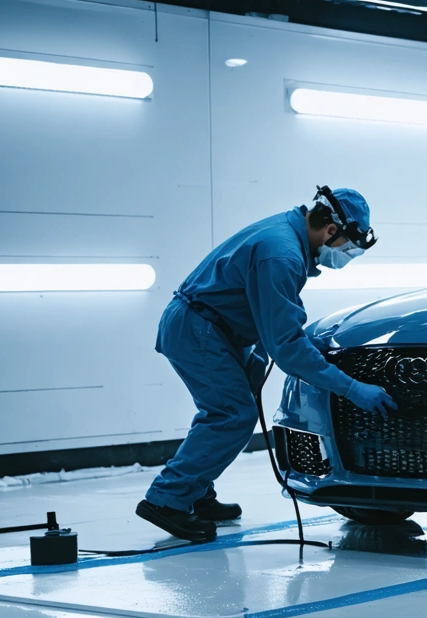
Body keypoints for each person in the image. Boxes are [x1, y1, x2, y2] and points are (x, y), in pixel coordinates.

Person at [136, 187, 397, 542]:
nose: (342, 258)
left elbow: (275, 324)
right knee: (232, 415)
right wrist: (352, 388)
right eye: (346, 250)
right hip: (199, 329)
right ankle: (166, 501)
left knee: (225, 413)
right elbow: (286, 348)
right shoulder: (282, 256)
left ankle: (194, 492)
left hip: (213, 326)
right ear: (331, 231)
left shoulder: (286, 236)